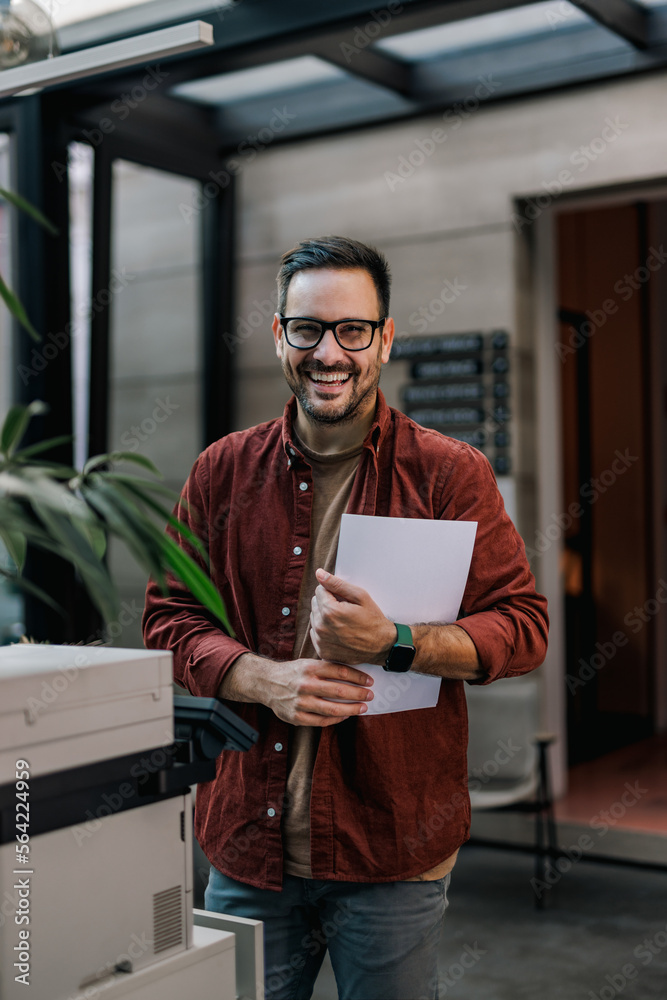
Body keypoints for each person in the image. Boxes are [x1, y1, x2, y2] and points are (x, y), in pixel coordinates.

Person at [142, 235, 549, 1000]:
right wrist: (256, 677)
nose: (329, 352)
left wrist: (395, 643)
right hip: (249, 847)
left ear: (384, 338)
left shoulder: (448, 473)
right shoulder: (220, 470)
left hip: (390, 852)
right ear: (278, 336)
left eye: (352, 330)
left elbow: (522, 626)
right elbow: (168, 617)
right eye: (308, 329)